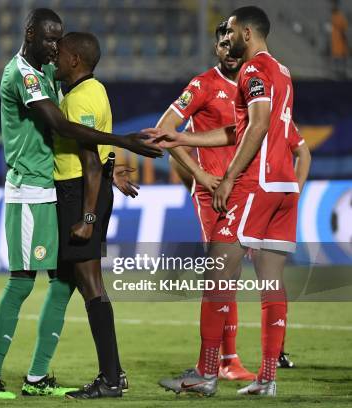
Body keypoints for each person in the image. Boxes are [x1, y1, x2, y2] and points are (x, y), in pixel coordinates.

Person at [0, 8, 162, 399]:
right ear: (29, 33)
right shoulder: (24, 75)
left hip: (57, 190)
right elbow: (62, 128)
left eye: (57, 43)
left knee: (63, 283)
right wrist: (123, 143)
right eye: (47, 40)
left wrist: (111, 169)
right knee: (21, 281)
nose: (53, 48)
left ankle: (38, 377)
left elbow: (85, 152)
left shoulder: (50, 74)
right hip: (30, 189)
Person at [149, 6, 311, 397]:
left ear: (249, 33)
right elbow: (247, 128)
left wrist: (230, 179)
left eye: (233, 31)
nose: (227, 38)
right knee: (272, 283)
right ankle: (267, 378)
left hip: (255, 185)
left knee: (217, 278)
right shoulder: (283, 72)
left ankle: (207, 374)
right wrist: (184, 139)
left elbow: (253, 128)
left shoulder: (253, 72)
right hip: (284, 187)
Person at [156, 21, 254, 382]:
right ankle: (217, 362)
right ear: (216, 48)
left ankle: (228, 359)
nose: (228, 49)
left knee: (233, 276)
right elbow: (165, 129)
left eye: (233, 43)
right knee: (220, 275)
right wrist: (200, 176)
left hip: (246, 192)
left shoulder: (253, 86)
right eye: (222, 44)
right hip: (214, 195)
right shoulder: (202, 85)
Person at [51, 32, 138, 399]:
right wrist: (114, 168)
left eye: (60, 55)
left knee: (91, 285)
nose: (55, 59)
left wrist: (87, 218)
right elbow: (104, 142)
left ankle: (111, 379)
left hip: (80, 193)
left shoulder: (82, 97)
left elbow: (89, 160)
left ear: (75, 60)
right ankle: (114, 372)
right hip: (85, 191)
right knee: (82, 282)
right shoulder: (92, 91)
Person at [331, 0, 349, 79]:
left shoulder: (341, 17)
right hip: (335, 45)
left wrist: (346, 43)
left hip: (341, 46)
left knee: (341, 61)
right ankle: (338, 74)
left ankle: (342, 74)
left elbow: (344, 32)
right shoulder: (333, 17)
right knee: (336, 62)